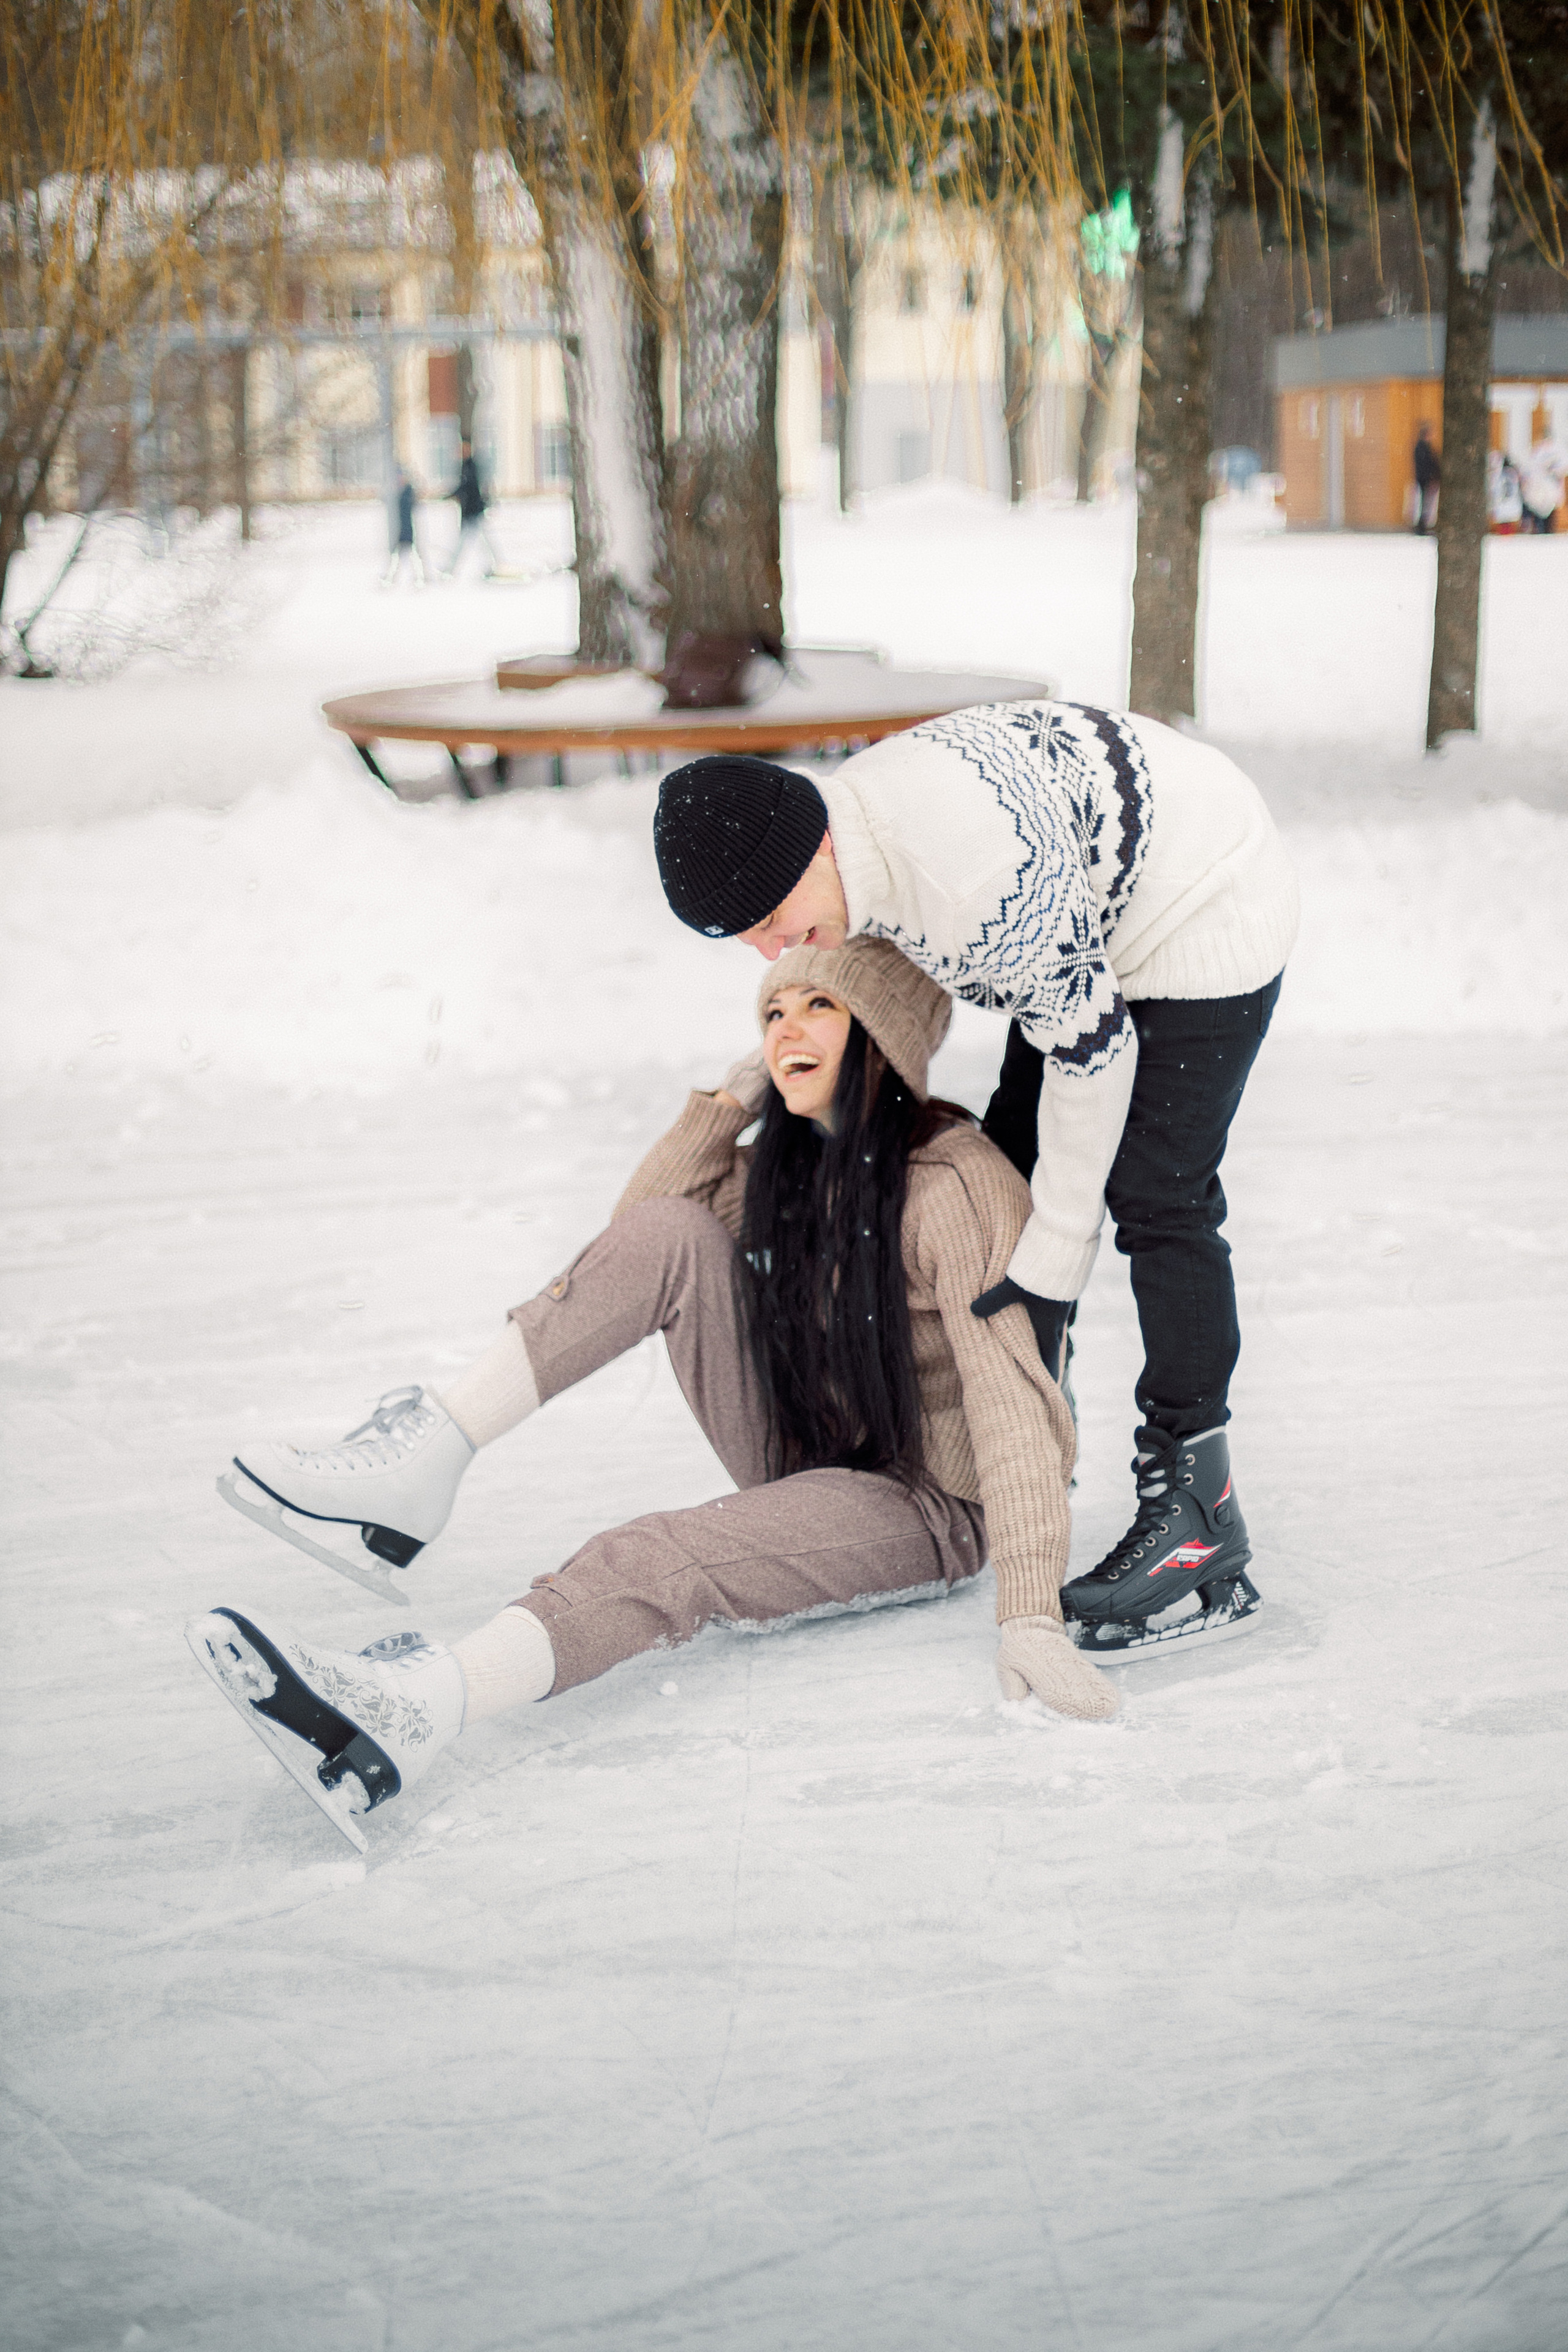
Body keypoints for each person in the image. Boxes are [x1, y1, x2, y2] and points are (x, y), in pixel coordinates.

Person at [192, 938, 1135, 1852]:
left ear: (882, 1031)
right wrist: (730, 1106)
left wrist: (1031, 1615)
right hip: (806, 1442)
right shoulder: (790, 1162)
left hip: (925, 1501)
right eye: (772, 1011)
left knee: (656, 1554)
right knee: (675, 1230)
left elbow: (1016, 1407)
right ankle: (429, 1456)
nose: (785, 1031)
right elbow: (633, 1242)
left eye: (820, 1007)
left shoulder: (957, 1187)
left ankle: (421, 1705)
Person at [650, 708, 1295, 1654]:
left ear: (814, 848)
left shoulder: (971, 879)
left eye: (768, 920)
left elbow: (1098, 1055)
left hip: (1205, 893)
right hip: (1089, 894)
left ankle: (1199, 1509)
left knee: (1158, 1196)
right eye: (744, 937)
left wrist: (1047, 1273)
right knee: (1007, 1157)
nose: (770, 951)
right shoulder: (850, 849)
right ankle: (1019, 1430)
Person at [445, 437, 499, 578]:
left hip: (473, 511)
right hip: (471, 511)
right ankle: (491, 566)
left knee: (478, 541)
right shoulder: (467, 466)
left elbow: (469, 488)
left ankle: (492, 566)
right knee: (479, 541)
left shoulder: (471, 467)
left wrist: (454, 495)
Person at [382, 469, 424, 586]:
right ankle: (392, 578)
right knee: (400, 556)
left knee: (409, 555)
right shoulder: (401, 493)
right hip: (402, 529)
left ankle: (418, 578)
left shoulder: (407, 493)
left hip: (407, 529)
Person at [1520, 434, 1566, 534]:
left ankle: (1547, 529)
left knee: (1549, 510)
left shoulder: (1555, 451)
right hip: (1540, 487)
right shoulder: (1539, 452)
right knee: (1539, 509)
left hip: (1550, 487)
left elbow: (1562, 467)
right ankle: (1541, 529)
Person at [1412, 421, 1441, 534]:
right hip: (1425, 479)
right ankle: (1421, 526)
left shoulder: (1422, 447)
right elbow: (1427, 464)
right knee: (1425, 503)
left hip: (1425, 478)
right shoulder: (1423, 448)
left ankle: (1422, 526)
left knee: (1425, 503)